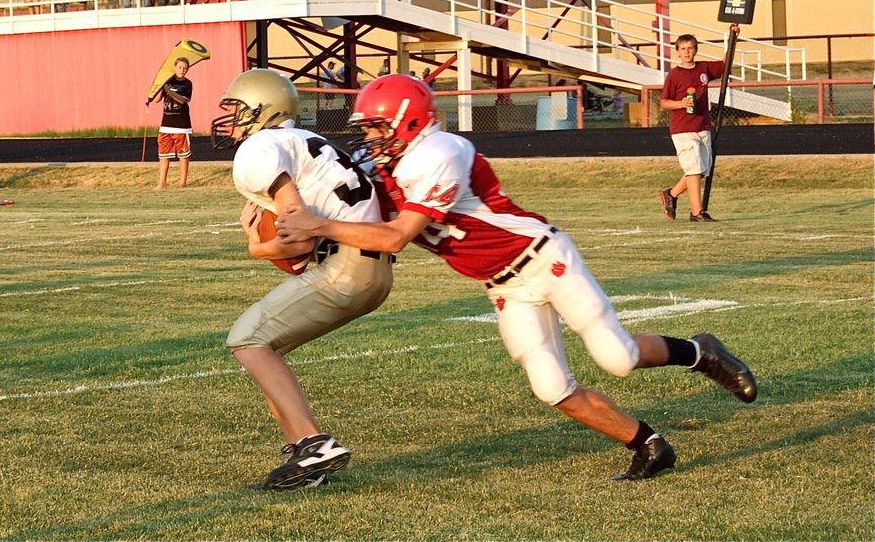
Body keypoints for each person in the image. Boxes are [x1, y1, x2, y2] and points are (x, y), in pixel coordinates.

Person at [277, 74, 758, 482]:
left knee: (618, 357)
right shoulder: (386, 168)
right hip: (504, 285)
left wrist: (317, 225)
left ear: (409, 121)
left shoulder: (439, 151)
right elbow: (345, 215)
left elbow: (397, 235)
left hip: (543, 258)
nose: (371, 139)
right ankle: (649, 445)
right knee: (551, 387)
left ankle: (701, 351)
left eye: (379, 127)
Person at [210, 68, 394, 490]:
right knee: (265, 349)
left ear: (263, 109)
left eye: (238, 109)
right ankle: (304, 461)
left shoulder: (261, 146)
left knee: (247, 338)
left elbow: (297, 235)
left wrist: (257, 246)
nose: (232, 119)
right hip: (372, 267)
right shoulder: (309, 142)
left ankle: (314, 442)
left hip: (349, 266)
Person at [658, 26, 739, 222]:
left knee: (701, 170)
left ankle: (672, 194)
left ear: (696, 50)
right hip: (683, 128)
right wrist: (681, 103)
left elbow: (726, 64)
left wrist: (733, 37)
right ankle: (697, 212)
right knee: (694, 169)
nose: (687, 52)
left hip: (703, 125)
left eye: (691, 48)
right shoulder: (675, 75)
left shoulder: (703, 69)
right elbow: (664, 102)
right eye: (683, 48)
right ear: (677, 52)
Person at [155, 57, 194, 189]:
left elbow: (183, 100)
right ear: (175, 67)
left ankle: (182, 183)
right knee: (164, 154)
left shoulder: (187, 84)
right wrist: (161, 86)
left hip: (182, 125)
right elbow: (157, 100)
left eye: (185, 68)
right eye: (180, 67)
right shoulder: (168, 81)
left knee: (183, 155)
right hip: (166, 123)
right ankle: (162, 183)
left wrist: (170, 92)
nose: (182, 70)